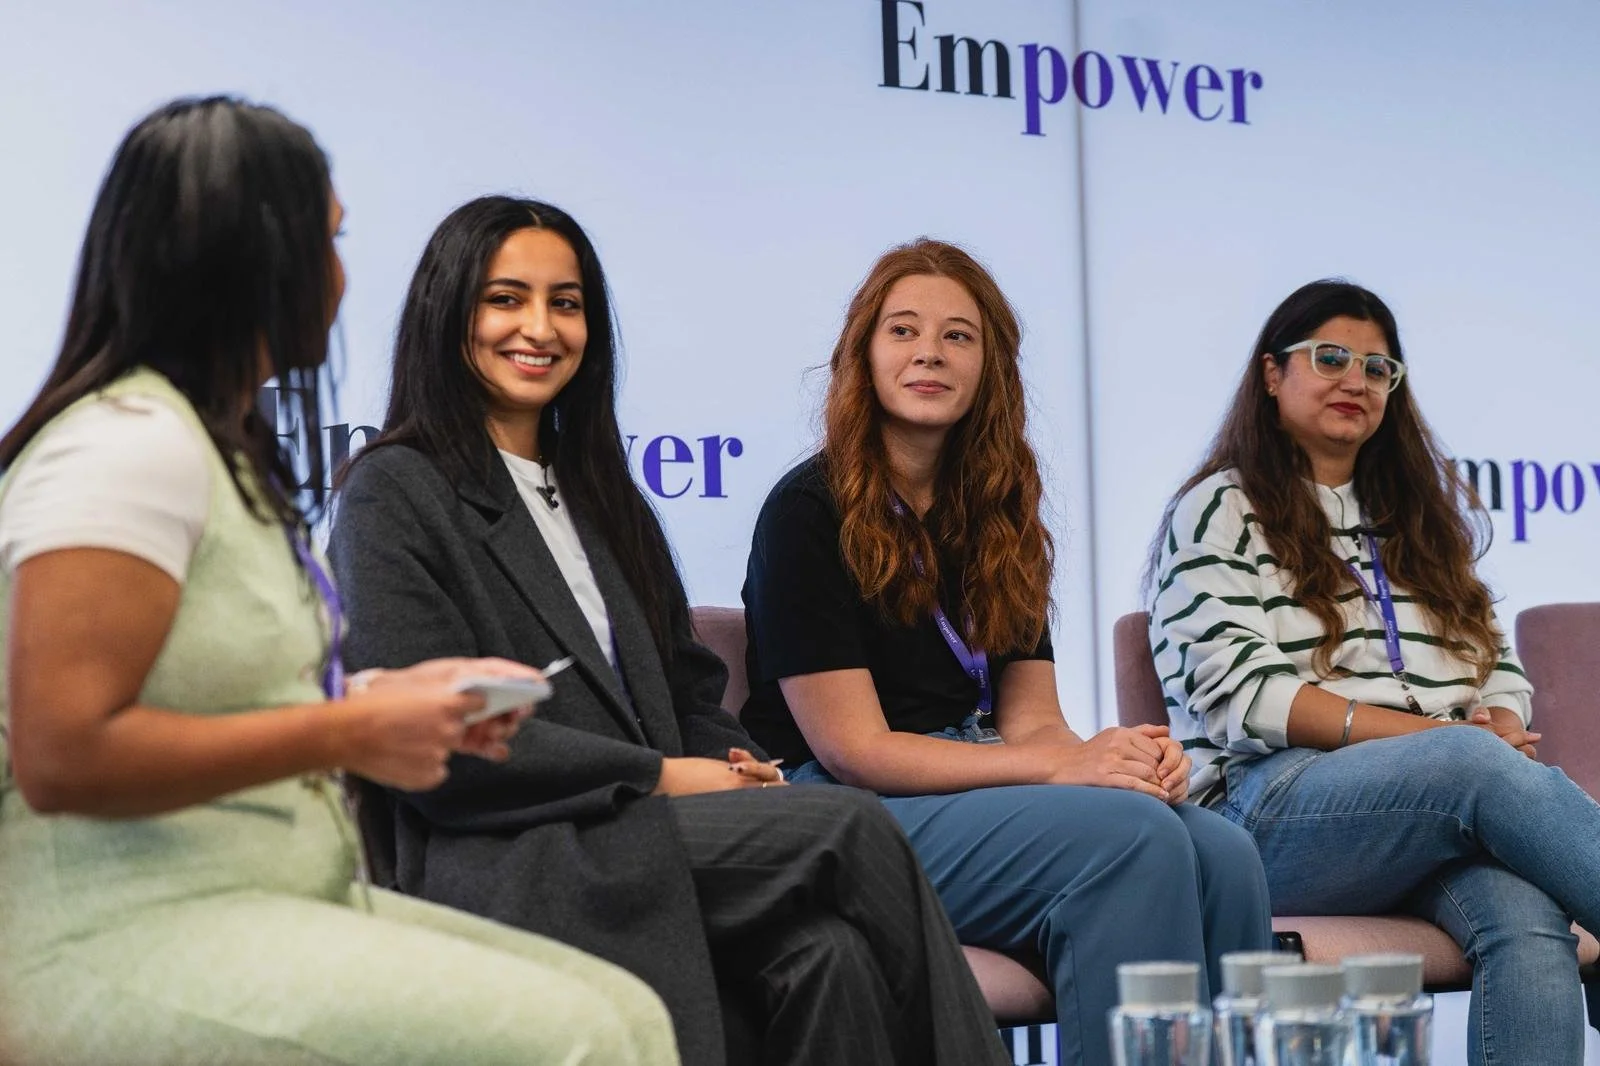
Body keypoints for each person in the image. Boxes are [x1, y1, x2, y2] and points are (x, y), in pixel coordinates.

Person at [0, 98, 678, 1066]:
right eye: (328, 241)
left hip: (267, 901)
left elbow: (222, 698)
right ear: (247, 261)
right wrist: (352, 729)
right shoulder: (123, 448)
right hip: (112, 941)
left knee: (630, 1014)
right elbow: (63, 754)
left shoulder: (213, 453)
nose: (340, 276)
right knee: (581, 1039)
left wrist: (377, 699)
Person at [327, 196, 1009, 1066]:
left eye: (565, 303)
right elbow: (440, 744)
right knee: (849, 827)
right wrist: (659, 777)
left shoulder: (604, 495)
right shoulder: (395, 490)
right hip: (515, 851)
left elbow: (690, 685)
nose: (539, 327)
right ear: (447, 313)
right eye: (506, 299)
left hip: (650, 840)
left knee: (827, 957)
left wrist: (731, 762)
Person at [737, 237, 1273, 1066]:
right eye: (903, 330)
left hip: (972, 781)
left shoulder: (1000, 517)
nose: (929, 353)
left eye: (958, 336)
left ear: (990, 366)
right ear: (863, 356)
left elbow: (1034, 725)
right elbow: (855, 749)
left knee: (1222, 851)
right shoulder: (807, 511)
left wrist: (1121, 759)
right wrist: (1062, 770)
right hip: (841, 807)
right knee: (1132, 842)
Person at [1147, 277, 1600, 1064]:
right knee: (1465, 763)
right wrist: (1446, 743)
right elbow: (1244, 695)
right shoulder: (1220, 507)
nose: (1356, 380)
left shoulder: (1420, 522)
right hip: (1271, 807)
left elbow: (1494, 664)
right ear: (1270, 374)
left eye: (1378, 368)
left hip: (1430, 815)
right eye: (1330, 358)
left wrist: (1494, 718)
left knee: (1526, 915)